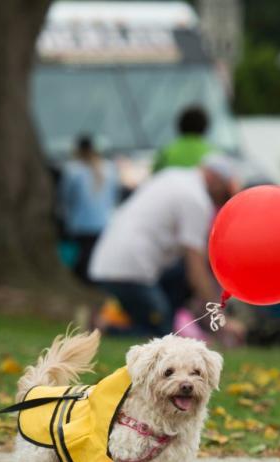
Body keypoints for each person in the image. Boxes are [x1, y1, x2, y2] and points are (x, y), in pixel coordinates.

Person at [89, 154, 239, 336]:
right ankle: (102, 328)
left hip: (108, 261)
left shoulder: (173, 176)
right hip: (130, 271)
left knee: (174, 284)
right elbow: (196, 269)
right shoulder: (197, 200)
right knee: (160, 332)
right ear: (214, 179)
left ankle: (109, 319)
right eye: (224, 190)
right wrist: (219, 319)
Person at [58, 135, 119, 282]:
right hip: (106, 222)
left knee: (83, 258)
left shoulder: (72, 170)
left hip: (81, 224)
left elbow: (65, 198)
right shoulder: (110, 168)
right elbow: (115, 197)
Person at [152, 106, 214, 173]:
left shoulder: (166, 153)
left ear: (180, 125)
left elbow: (155, 177)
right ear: (205, 127)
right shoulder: (213, 154)